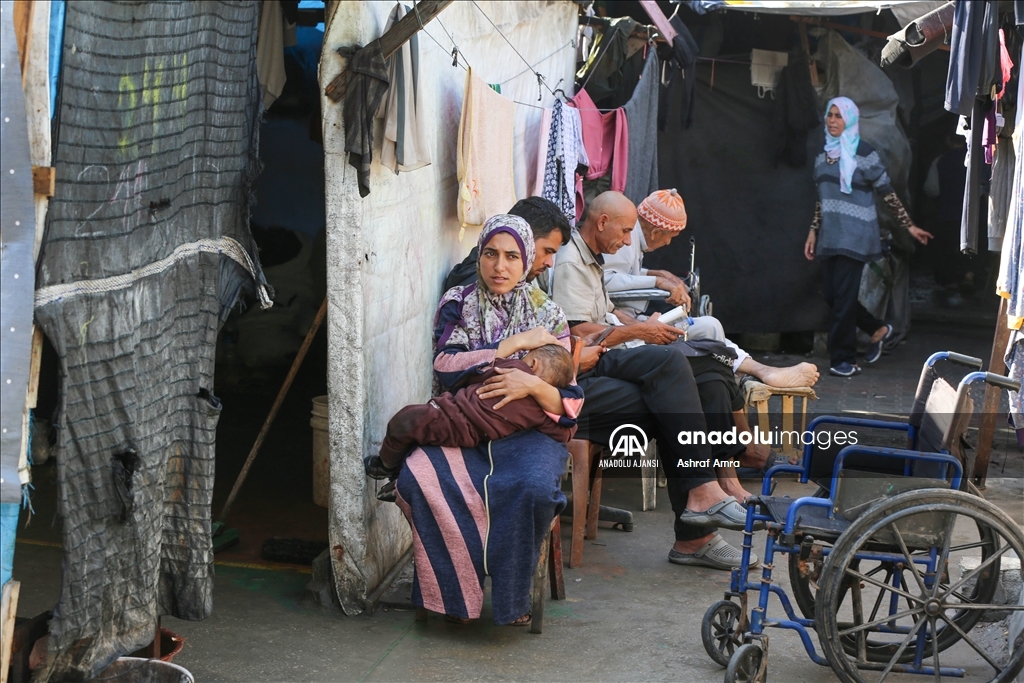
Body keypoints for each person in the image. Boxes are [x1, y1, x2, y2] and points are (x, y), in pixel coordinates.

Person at [551, 191, 763, 571]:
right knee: (669, 370)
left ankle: (712, 497)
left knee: (711, 372)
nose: (629, 241)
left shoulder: (592, 260)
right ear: (602, 223)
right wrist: (640, 333)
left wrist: (640, 325)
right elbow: (577, 332)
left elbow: (605, 311)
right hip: (590, 366)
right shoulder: (569, 263)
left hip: (609, 354)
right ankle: (699, 502)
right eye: (626, 230)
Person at [395, 215, 583, 627]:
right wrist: (510, 345)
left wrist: (529, 386)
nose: (500, 266)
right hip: (464, 424)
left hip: (530, 433)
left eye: (512, 257)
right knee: (419, 475)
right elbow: (446, 366)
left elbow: (568, 397)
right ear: (479, 256)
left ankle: (513, 597)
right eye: (491, 254)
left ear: (526, 261)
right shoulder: (457, 303)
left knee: (530, 487)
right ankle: (454, 595)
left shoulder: (548, 314)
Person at [602, 188, 820, 390]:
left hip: (632, 322)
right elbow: (607, 282)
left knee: (708, 326)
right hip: (624, 329)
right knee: (709, 327)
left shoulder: (630, 242)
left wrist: (657, 274)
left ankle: (755, 373)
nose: (668, 243)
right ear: (657, 231)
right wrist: (657, 282)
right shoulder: (624, 240)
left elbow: (623, 276)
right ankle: (757, 373)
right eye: (670, 237)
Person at [804, 97, 933, 377]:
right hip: (830, 236)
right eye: (830, 115)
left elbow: (887, 192)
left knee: (843, 299)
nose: (833, 121)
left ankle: (843, 360)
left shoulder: (864, 152)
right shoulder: (822, 154)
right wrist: (813, 232)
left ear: (850, 120)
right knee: (831, 294)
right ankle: (877, 328)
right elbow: (821, 198)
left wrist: (908, 226)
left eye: (839, 116)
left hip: (857, 236)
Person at [371, 345, 576, 477]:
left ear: (533, 363)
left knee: (406, 420)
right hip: (474, 436)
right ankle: (397, 473)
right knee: (421, 433)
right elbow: (562, 430)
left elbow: (474, 373)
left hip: (453, 417)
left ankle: (387, 465)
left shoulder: (512, 368)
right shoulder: (540, 411)